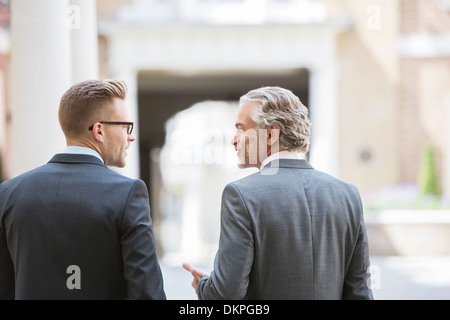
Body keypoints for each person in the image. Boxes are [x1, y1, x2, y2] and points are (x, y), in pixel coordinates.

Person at [183, 86, 373, 300]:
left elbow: (226, 294)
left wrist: (204, 286)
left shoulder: (240, 195)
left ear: (271, 134)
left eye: (241, 129)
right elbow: (360, 292)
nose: (233, 139)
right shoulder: (348, 195)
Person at [0, 79, 166, 300]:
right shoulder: (128, 193)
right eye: (126, 127)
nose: (131, 136)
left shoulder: (8, 193)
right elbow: (147, 294)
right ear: (99, 131)